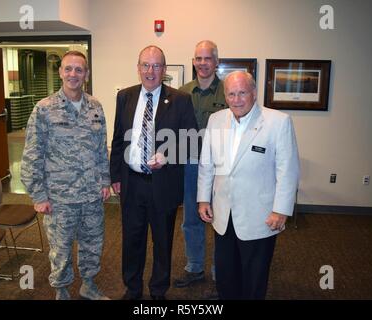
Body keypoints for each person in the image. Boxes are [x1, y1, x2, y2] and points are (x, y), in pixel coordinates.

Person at [197, 71, 300, 299]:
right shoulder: (216, 120)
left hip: (260, 216)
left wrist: (281, 210)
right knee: (226, 276)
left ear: (254, 93)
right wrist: (204, 198)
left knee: (254, 278)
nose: (237, 99)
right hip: (223, 215)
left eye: (242, 93)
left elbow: (288, 170)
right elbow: (207, 164)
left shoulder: (278, 122)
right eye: (231, 94)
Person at [21, 51, 111, 300]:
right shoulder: (44, 109)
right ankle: (61, 290)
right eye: (68, 69)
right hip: (59, 198)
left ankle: (88, 284)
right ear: (60, 72)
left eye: (79, 70)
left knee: (92, 245)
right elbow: (31, 156)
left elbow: (101, 148)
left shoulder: (96, 107)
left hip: (91, 194)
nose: (73, 74)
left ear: (86, 74)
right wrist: (38, 195)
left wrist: (105, 180)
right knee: (60, 250)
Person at [110, 45, 198, 300]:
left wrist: (167, 155)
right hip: (132, 183)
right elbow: (118, 139)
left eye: (156, 65)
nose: (151, 71)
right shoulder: (124, 97)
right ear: (138, 68)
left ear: (164, 70)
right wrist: (115, 176)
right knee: (131, 240)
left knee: (162, 242)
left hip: (163, 184)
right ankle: (133, 288)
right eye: (146, 65)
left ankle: (159, 290)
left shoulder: (180, 99)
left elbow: (192, 140)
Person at [174, 40, 226, 290]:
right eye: (198, 58)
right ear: (193, 61)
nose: (202, 63)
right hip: (191, 164)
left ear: (216, 62)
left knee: (221, 218)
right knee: (192, 219)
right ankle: (194, 267)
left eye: (207, 58)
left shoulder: (228, 91)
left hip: (223, 166)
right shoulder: (182, 92)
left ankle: (220, 271)